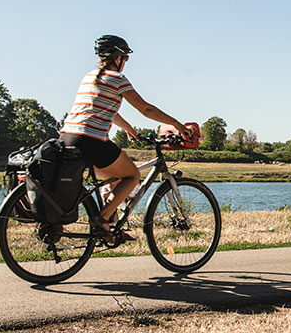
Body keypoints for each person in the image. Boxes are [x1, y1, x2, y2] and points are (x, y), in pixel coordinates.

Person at [59, 35, 194, 237]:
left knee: (115, 179)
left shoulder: (89, 77)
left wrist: (129, 128)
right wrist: (176, 124)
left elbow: (104, 109)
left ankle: (110, 227)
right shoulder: (117, 79)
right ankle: (101, 219)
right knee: (132, 176)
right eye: (126, 58)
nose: (126, 63)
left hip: (66, 138)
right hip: (91, 141)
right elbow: (146, 109)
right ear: (118, 57)